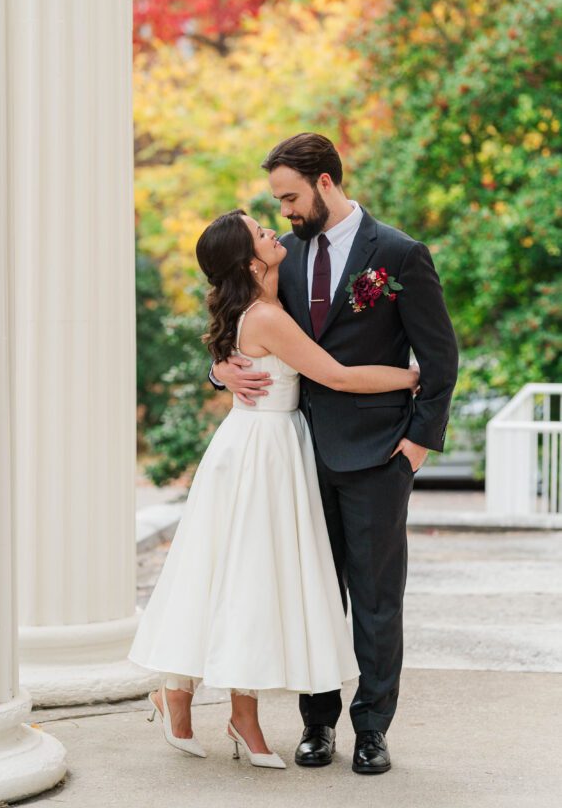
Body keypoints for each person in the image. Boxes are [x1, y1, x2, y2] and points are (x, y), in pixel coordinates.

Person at [128, 208, 420, 769]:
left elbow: (233, 339)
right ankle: (224, 709)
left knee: (233, 574)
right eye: (262, 230)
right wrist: (412, 376)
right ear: (250, 260)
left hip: (272, 444)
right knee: (244, 576)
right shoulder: (264, 312)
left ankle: (188, 698)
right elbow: (333, 373)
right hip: (262, 449)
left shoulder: (276, 278)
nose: (274, 229)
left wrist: (221, 367)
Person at [212, 133, 459, 774]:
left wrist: (417, 443)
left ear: (325, 182)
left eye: (291, 197)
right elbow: (232, 318)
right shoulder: (281, 257)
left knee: (377, 599)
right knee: (313, 593)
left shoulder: (401, 254)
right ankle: (317, 725)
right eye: (278, 201)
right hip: (298, 456)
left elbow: (440, 356)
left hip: (380, 454)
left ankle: (372, 729)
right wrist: (221, 371)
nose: (285, 211)